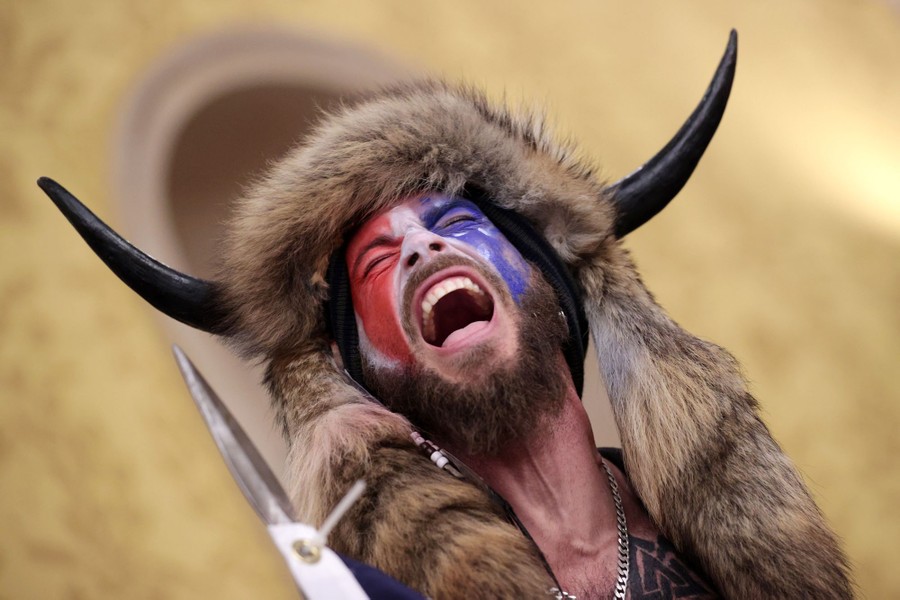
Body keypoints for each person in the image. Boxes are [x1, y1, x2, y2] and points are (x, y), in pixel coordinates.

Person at [40, 32, 853, 599]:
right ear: (368, 371)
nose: (424, 248)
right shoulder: (380, 594)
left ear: (548, 285)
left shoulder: (708, 534)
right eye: (377, 260)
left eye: (456, 225)